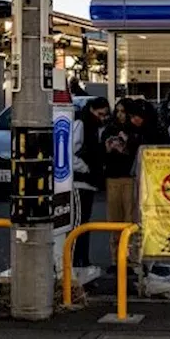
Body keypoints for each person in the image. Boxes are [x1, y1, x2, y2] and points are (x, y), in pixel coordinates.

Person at [71, 97, 111, 268]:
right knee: (79, 225)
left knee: (83, 225)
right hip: (81, 182)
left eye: (105, 115)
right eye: (100, 114)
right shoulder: (82, 124)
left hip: (88, 181)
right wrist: (85, 168)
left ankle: (82, 260)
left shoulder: (94, 127)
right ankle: (77, 261)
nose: (102, 118)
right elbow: (70, 153)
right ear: (92, 110)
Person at [102, 98, 138, 270]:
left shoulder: (135, 131)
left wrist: (127, 141)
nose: (119, 115)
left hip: (129, 177)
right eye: (117, 111)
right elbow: (102, 150)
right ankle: (115, 259)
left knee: (129, 218)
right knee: (114, 219)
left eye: (123, 111)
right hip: (112, 176)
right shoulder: (109, 129)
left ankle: (130, 258)